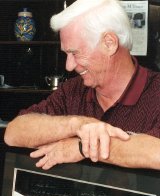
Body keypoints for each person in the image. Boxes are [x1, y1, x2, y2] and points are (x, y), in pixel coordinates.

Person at [4, 0, 160, 170]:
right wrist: (78, 125)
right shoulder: (73, 90)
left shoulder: (155, 91)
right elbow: (13, 133)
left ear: (109, 43)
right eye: (66, 54)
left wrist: (81, 147)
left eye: (74, 53)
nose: (68, 66)